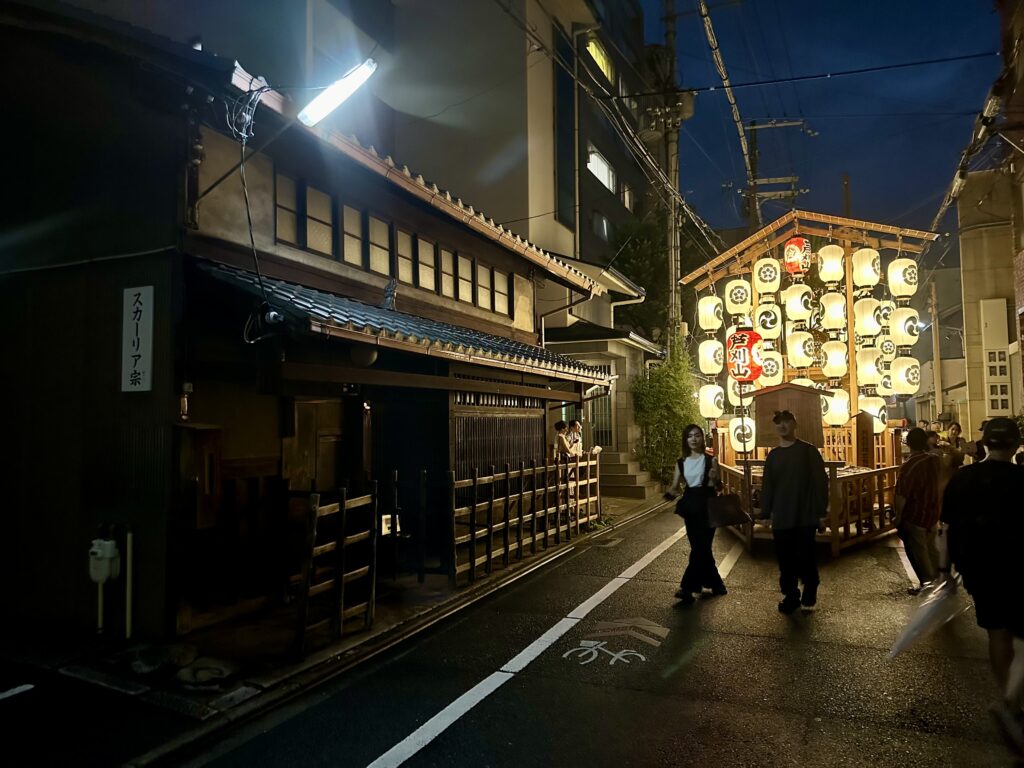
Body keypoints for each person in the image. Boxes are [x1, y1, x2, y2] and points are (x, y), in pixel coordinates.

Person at [941, 417, 1024, 754]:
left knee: (998, 633)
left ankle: (1009, 698)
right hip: (1021, 568)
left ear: (983, 445)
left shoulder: (963, 479)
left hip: (980, 570)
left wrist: (943, 571)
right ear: (1016, 445)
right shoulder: (1023, 479)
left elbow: (945, 528)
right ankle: (1011, 699)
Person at [760, 410, 828, 614]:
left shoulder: (808, 451)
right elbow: (768, 486)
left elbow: (820, 483)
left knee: (805, 556)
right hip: (781, 516)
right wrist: (765, 512)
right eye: (778, 423)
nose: (782, 426)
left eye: (786, 422)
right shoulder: (773, 455)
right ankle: (790, 595)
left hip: (804, 515)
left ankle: (810, 585)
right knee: (785, 560)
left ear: (794, 424)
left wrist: (820, 512)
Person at [665, 424, 727, 606]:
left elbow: (719, 487)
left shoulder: (711, 460)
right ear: (686, 440)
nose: (694, 439)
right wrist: (669, 494)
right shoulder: (681, 463)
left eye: (697, 435)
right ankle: (716, 584)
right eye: (690, 436)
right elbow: (675, 487)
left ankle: (688, 587)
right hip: (691, 507)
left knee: (701, 547)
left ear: (702, 438)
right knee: (700, 548)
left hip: (708, 505)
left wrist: (715, 479)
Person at [894, 428, 942, 592]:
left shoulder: (909, 465)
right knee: (932, 549)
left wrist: (898, 516)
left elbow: (901, 494)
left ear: (908, 443)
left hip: (915, 515)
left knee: (919, 553)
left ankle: (928, 586)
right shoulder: (934, 460)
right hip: (932, 512)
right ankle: (940, 583)